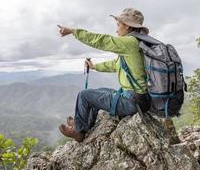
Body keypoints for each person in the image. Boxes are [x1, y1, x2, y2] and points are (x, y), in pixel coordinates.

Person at [57, 8, 150, 142]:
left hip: (131, 103)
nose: (116, 30)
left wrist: (73, 31)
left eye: (118, 25)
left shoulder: (130, 42)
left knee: (84, 95)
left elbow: (102, 40)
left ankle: (79, 131)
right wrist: (95, 67)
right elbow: (116, 64)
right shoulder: (137, 43)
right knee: (99, 91)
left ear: (127, 26)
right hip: (138, 99)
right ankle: (82, 123)